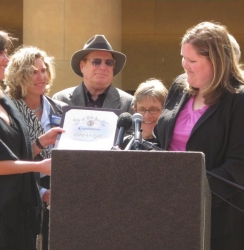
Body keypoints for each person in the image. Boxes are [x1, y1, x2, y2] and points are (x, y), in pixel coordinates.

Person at [154, 21, 244, 250]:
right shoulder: (179, 86)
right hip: (165, 213)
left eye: (193, 60)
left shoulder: (238, 99)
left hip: (218, 221)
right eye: (183, 57)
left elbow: (238, 166)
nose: (185, 66)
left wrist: (190, 192)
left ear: (218, 62)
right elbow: (161, 140)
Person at [0, 29, 64, 249]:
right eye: (1, 53)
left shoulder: (1, 101)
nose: (7, 59)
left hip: (17, 211)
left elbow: (15, 154)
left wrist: (40, 143)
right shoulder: (12, 102)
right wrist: (40, 166)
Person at [52, 34, 133, 113]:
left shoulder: (128, 103)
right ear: (82, 66)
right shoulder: (60, 100)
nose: (103, 67)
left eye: (109, 62)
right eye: (96, 62)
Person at [122, 78, 167, 149]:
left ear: (165, 111)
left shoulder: (170, 145)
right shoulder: (125, 144)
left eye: (153, 109)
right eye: (142, 110)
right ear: (135, 110)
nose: (147, 116)